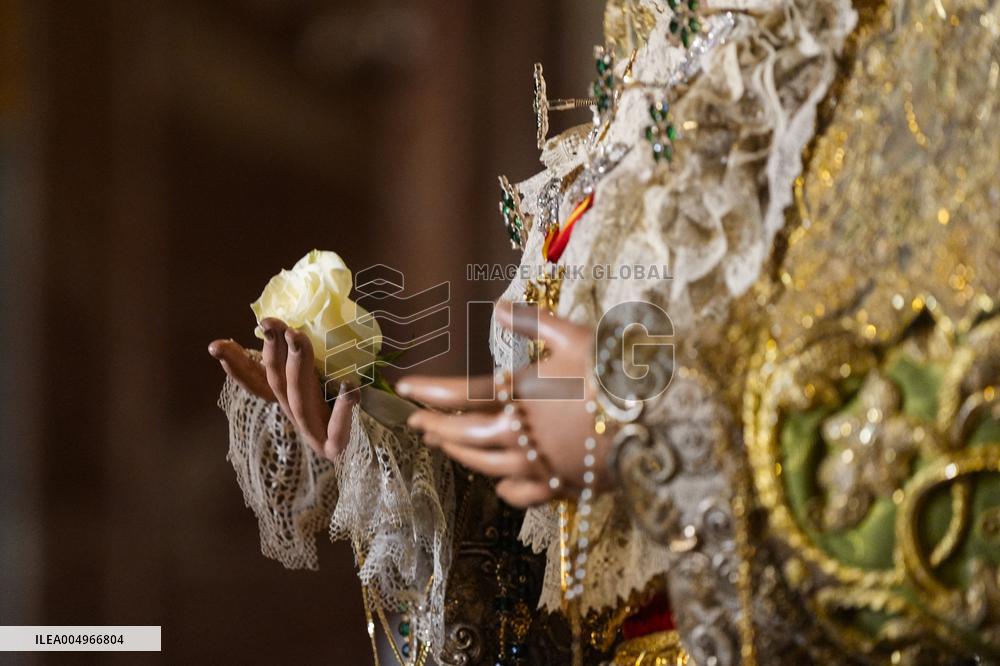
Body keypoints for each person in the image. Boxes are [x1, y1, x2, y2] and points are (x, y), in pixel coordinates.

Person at [209, 0, 1000, 663]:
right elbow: (568, 583)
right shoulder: (657, 51)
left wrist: (652, 438)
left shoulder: (926, 35)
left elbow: (960, 440)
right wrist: (409, 461)